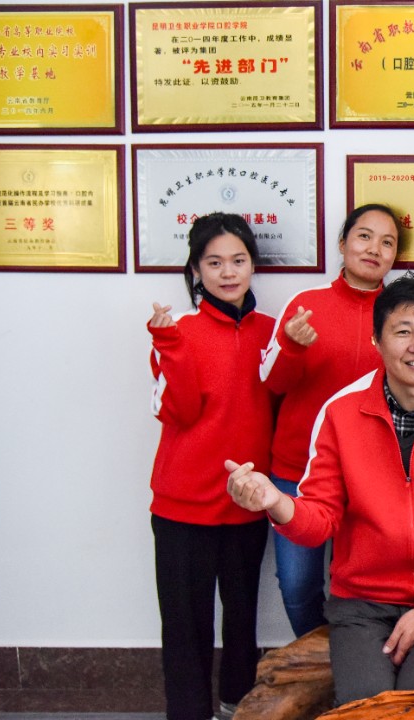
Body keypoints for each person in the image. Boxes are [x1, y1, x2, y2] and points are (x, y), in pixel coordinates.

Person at [226, 273, 414, 706]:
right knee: (364, 708)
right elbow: (320, 518)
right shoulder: (340, 411)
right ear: (377, 340)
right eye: (402, 332)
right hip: (361, 602)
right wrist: (276, 502)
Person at [146, 213, 275, 720]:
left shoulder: (273, 332)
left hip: (247, 501)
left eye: (238, 260)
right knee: (185, 625)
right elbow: (178, 411)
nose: (228, 272)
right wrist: (169, 346)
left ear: (253, 265)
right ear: (196, 270)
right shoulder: (176, 329)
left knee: (242, 619)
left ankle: (237, 704)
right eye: (214, 262)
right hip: (182, 508)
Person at [259, 204, 400, 638]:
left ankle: (351, 658)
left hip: (371, 477)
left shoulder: (399, 312)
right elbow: (272, 383)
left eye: (387, 242)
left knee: (360, 588)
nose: (374, 249)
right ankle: (316, 658)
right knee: (297, 585)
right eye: (364, 236)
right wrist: (292, 346)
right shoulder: (306, 304)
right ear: (342, 243)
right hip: (297, 472)